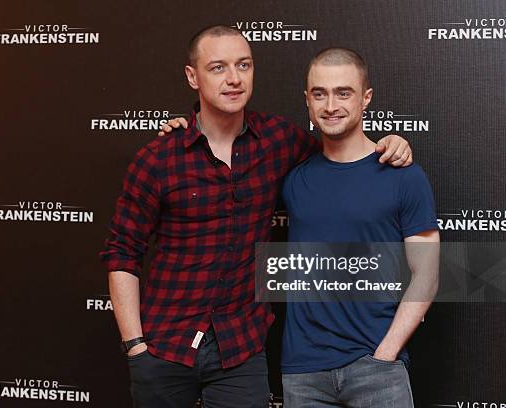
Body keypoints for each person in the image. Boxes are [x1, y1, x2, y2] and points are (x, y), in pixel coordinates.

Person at [100, 25, 411, 408]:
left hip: (240, 350)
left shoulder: (280, 141)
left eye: (243, 65)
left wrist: (390, 143)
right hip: (165, 346)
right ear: (192, 77)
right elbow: (122, 254)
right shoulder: (158, 159)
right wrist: (135, 346)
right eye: (218, 68)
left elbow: (343, 148)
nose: (233, 79)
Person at [280, 47, 440, 407]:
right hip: (303, 374)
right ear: (307, 100)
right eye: (319, 93)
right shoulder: (292, 178)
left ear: (366, 98)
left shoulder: (404, 176)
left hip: (378, 368)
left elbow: (427, 275)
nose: (331, 105)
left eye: (343, 92)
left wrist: (386, 353)